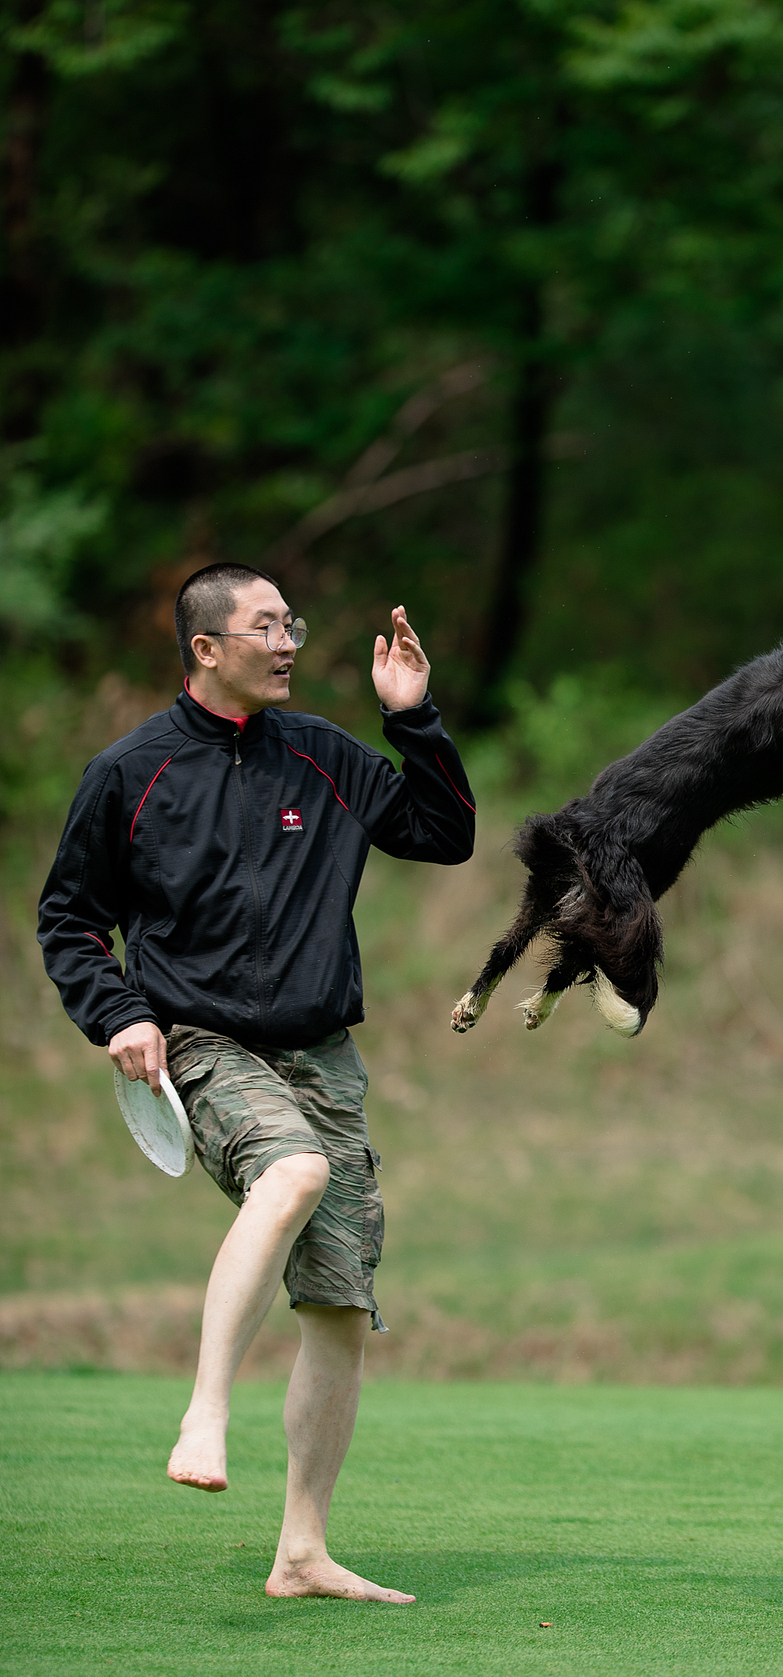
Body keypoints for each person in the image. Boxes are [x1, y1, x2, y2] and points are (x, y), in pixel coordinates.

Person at [38, 564, 475, 1604]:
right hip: (199, 1042)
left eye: (292, 626)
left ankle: (302, 1553)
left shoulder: (325, 754)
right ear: (206, 648)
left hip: (322, 1053)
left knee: (338, 1303)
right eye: (265, 627)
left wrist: (412, 719)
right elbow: (69, 920)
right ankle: (204, 1409)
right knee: (293, 1172)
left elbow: (444, 834)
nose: (287, 644)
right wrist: (119, 1013)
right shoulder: (129, 772)